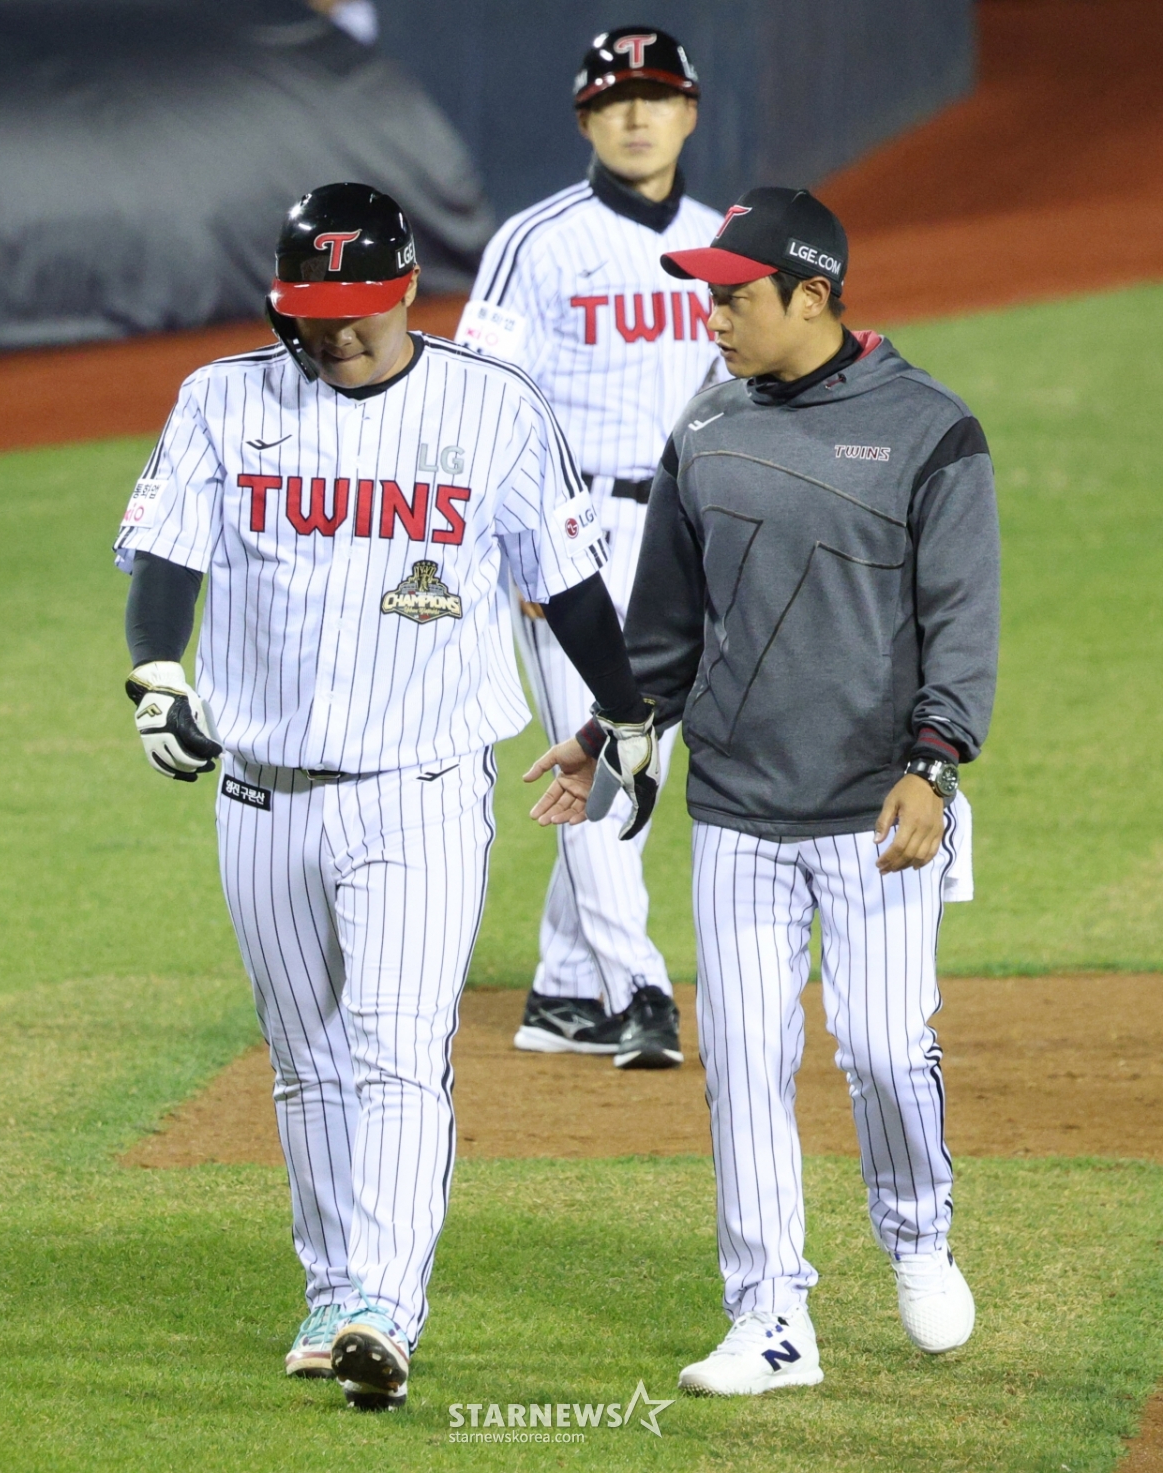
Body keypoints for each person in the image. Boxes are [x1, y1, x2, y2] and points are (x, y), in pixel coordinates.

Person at [113, 182, 657, 1411]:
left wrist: (622, 713)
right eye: (314, 310)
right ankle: (331, 1294)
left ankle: (383, 1307)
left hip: (420, 792)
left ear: (408, 290)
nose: (337, 331)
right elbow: (167, 554)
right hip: (260, 794)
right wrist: (156, 672)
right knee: (306, 1060)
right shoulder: (223, 400)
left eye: (359, 306)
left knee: (399, 1050)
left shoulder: (493, 407)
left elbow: (569, 582)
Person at [529, 186, 999, 1393]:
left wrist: (936, 764)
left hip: (878, 809)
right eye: (709, 296)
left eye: (736, 297)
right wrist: (606, 731)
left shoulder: (930, 431)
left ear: (813, 295)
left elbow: (962, 621)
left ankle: (918, 1235)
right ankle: (770, 1318)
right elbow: (665, 631)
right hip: (738, 808)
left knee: (885, 1050)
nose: (714, 317)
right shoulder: (706, 426)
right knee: (742, 1061)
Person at [456, 25, 726, 1070]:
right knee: (613, 741)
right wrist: (517, 545)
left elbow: (733, 393)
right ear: (585, 119)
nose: (636, 114)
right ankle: (637, 986)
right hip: (569, 532)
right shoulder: (537, 241)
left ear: (688, 112)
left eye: (655, 96)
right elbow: (481, 400)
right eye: (615, 98)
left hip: (680, 531)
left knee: (637, 750)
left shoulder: (719, 241)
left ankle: (567, 991)